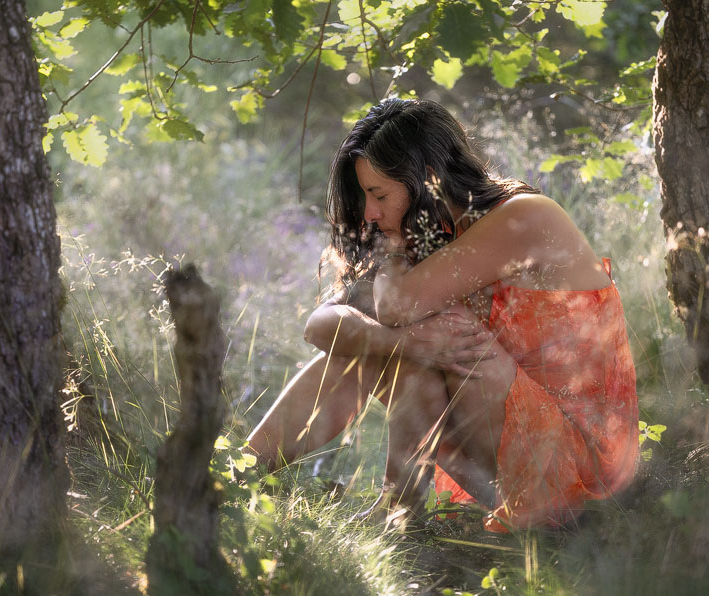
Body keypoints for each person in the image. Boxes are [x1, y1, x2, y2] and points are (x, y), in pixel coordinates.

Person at [246, 98, 638, 531]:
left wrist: (393, 273)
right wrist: (402, 343)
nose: (370, 214)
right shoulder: (433, 236)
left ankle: (405, 515)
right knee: (388, 348)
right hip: (504, 452)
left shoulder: (523, 217)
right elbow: (321, 325)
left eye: (379, 195)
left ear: (426, 179)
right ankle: (237, 475)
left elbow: (396, 307)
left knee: (447, 333)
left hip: (581, 469)